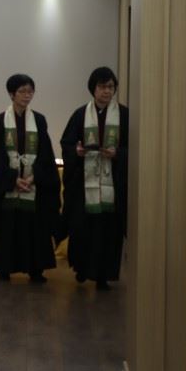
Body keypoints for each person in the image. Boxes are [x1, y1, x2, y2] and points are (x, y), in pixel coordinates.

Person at [0, 73, 60, 283]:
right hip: (9, 187)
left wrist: (33, 177)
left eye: (30, 91)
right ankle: (5, 268)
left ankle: (36, 269)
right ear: (11, 94)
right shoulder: (0, 121)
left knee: (34, 228)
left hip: (33, 185)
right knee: (7, 228)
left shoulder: (39, 120)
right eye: (22, 91)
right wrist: (13, 180)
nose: (27, 95)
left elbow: (45, 153)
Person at [60, 66, 129, 290]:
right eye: (102, 86)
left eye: (110, 87)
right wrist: (76, 151)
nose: (107, 91)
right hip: (84, 185)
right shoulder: (80, 114)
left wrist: (118, 154)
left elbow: (134, 148)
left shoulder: (125, 115)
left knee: (108, 231)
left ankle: (103, 275)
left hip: (113, 185)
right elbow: (67, 143)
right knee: (82, 229)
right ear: (93, 88)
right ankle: (81, 269)